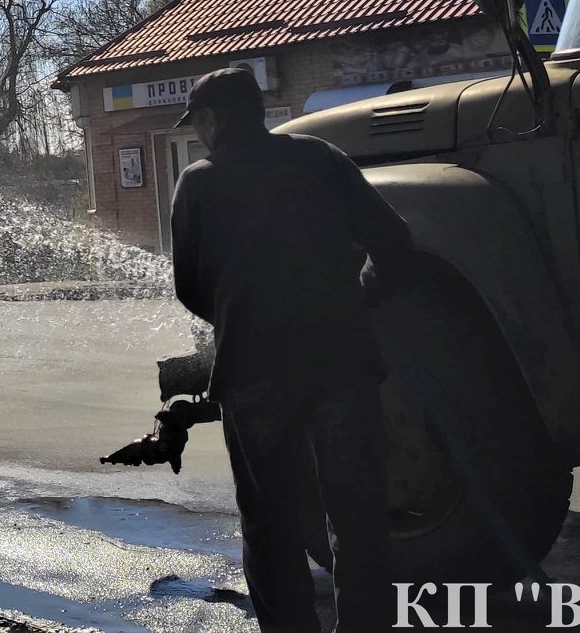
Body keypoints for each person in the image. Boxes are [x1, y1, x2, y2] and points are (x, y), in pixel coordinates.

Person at [168, 67, 417, 633]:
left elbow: (190, 286)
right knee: (358, 518)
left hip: (255, 375)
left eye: (199, 123)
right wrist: (356, 302)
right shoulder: (320, 158)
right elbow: (395, 244)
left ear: (209, 121)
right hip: (341, 366)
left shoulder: (199, 183)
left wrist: (243, 317)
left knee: (269, 520)